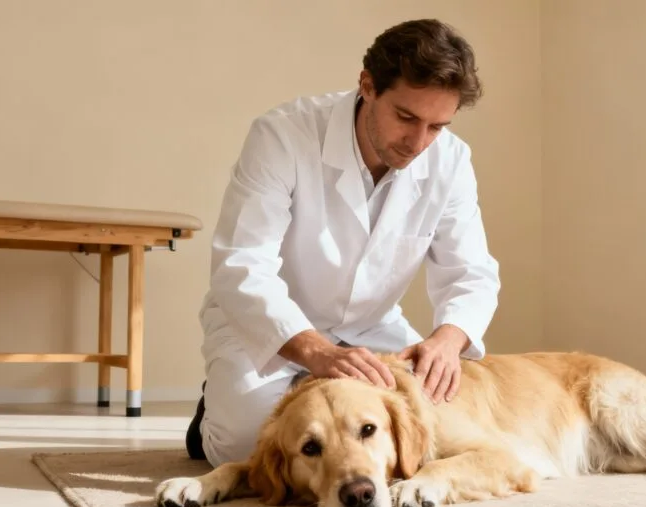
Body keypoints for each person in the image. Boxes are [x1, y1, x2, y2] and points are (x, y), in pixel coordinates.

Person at [186, 18, 501, 468]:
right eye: (407, 117)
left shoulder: (450, 160)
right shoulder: (282, 136)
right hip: (268, 330)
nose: (418, 142)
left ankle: (307, 397)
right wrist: (315, 352)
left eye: (436, 126)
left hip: (371, 332)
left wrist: (448, 341)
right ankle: (214, 411)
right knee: (246, 446)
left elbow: (471, 271)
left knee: (431, 433)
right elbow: (243, 265)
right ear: (368, 86)